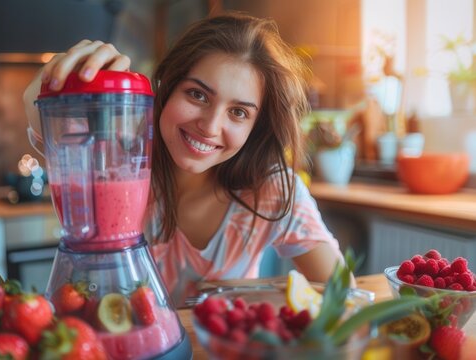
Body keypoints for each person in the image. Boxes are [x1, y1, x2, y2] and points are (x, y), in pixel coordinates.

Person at [24, 13, 347, 306]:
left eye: (238, 112)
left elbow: (341, 295)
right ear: (167, 88)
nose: (209, 126)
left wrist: (262, 300)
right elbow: (45, 120)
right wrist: (53, 79)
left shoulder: (272, 191)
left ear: (255, 126)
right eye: (197, 94)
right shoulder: (118, 165)